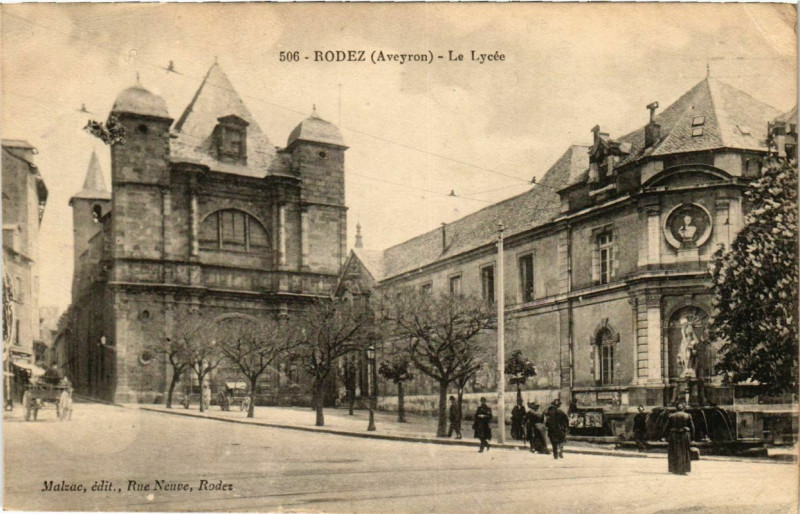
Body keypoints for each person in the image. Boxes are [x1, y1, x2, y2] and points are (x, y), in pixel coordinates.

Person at [667, 403, 695, 475]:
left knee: (675, 451)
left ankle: (674, 469)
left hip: (674, 435)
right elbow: (692, 427)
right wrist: (692, 437)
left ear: (676, 408)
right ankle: (684, 469)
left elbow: (667, 427)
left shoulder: (672, 416)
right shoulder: (688, 415)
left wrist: (665, 436)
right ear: (683, 408)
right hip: (685, 434)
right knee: (684, 451)